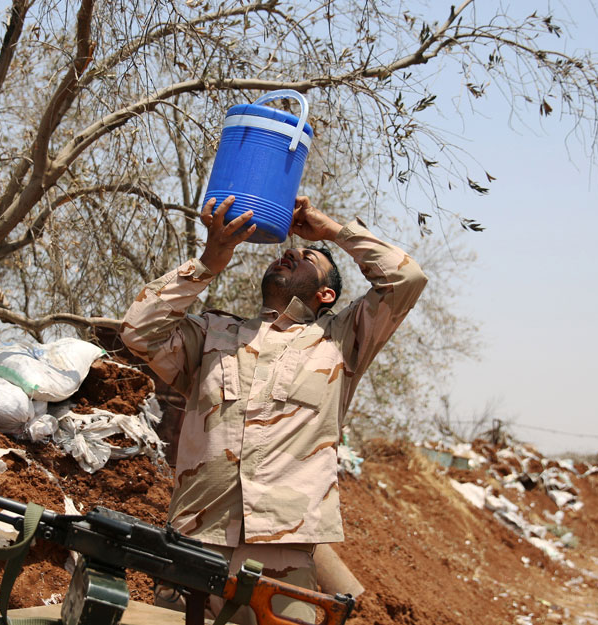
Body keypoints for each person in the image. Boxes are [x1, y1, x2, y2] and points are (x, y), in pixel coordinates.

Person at [119, 195, 427, 624]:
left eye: (309, 258)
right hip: (193, 542)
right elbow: (138, 331)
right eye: (291, 250)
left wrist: (333, 232)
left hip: (282, 556)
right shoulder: (213, 334)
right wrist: (210, 260)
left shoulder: (341, 340)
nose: (293, 252)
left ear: (326, 293)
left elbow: (406, 278)